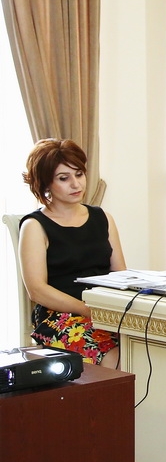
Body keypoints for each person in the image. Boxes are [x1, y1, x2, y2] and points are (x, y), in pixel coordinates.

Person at [18, 139, 126, 368]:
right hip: (57, 316)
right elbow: (37, 290)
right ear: (46, 183)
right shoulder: (34, 226)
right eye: (63, 178)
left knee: (151, 346)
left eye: (79, 174)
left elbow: (120, 275)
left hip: (103, 311)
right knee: (116, 356)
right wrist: (86, 309)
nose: (76, 184)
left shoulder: (103, 218)